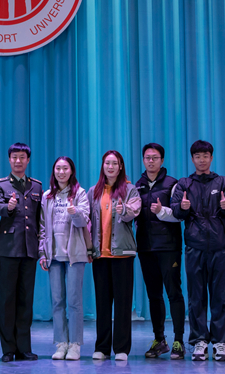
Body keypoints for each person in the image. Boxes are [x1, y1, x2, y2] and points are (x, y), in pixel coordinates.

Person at [172, 140, 225, 362]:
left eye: (205, 156)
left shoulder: (223, 181)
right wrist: (182, 208)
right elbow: (175, 211)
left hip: (219, 247)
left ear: (211, 158)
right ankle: (199, 340)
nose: (202, 160)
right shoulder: (184, 184)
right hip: (195, 247)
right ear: (192, 159)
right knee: (196, 297)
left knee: (220, 296)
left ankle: (220, 342)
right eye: (197, 156)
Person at [0, 143, 43, 362]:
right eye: (14, 157)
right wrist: (8, 207)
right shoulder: (0, 185)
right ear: (9, 159)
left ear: (28, 160)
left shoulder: (37, 186)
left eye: (22, 157)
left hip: (29, 249)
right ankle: (8, 349)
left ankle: (24, 348)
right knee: (7, 300)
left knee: (25, 300)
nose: (18, 161)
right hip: (8, 249)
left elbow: (39, 218)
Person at [88, 150, 142, 361]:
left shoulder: (130, 190)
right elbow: (88, 223)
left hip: (122, 255)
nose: (110, 167)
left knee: (122, 303)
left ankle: (121, 348)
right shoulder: (94, 191)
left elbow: (134, 212)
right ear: (103, 166)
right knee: (102, 304)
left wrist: (123, 209)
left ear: (120, 167)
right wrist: (89, 249)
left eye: (114, 163)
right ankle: (102, 347)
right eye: (107, 163)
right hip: (100, 256)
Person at [134, 143, 186, 360]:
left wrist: (161, 211)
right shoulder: (137, 186)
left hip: (168, 247)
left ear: (162, 160)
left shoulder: (173, 184)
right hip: (146, 247)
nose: (151, 161)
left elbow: (180, 215)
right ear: (143, 160)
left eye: (155, 157)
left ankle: (179, 341)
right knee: (154, 295)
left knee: (174, 293)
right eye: (147, 157)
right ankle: (159, 339)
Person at [38, 157, 91, 361]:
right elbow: (42, 227)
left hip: (75, 255)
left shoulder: (80, 194)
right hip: (53, 256)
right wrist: (43, 252)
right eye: (58, 168)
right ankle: (61, 343)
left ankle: (75, 344)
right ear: (54, 171)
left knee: (74, 301)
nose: (61, 172)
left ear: (71, 171)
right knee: (57, 301)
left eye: (65, 168)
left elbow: (84, 221)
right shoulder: (47, 196)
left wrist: (75, 212)